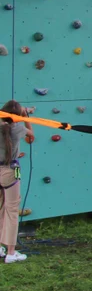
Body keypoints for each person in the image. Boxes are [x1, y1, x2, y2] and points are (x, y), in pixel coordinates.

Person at [0, 101, 33, 264]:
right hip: (10, 171)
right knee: (12, 211)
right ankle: (11, 253)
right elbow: (31, 136)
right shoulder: (18, 128)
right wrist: (26, 116)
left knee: (0, 208)